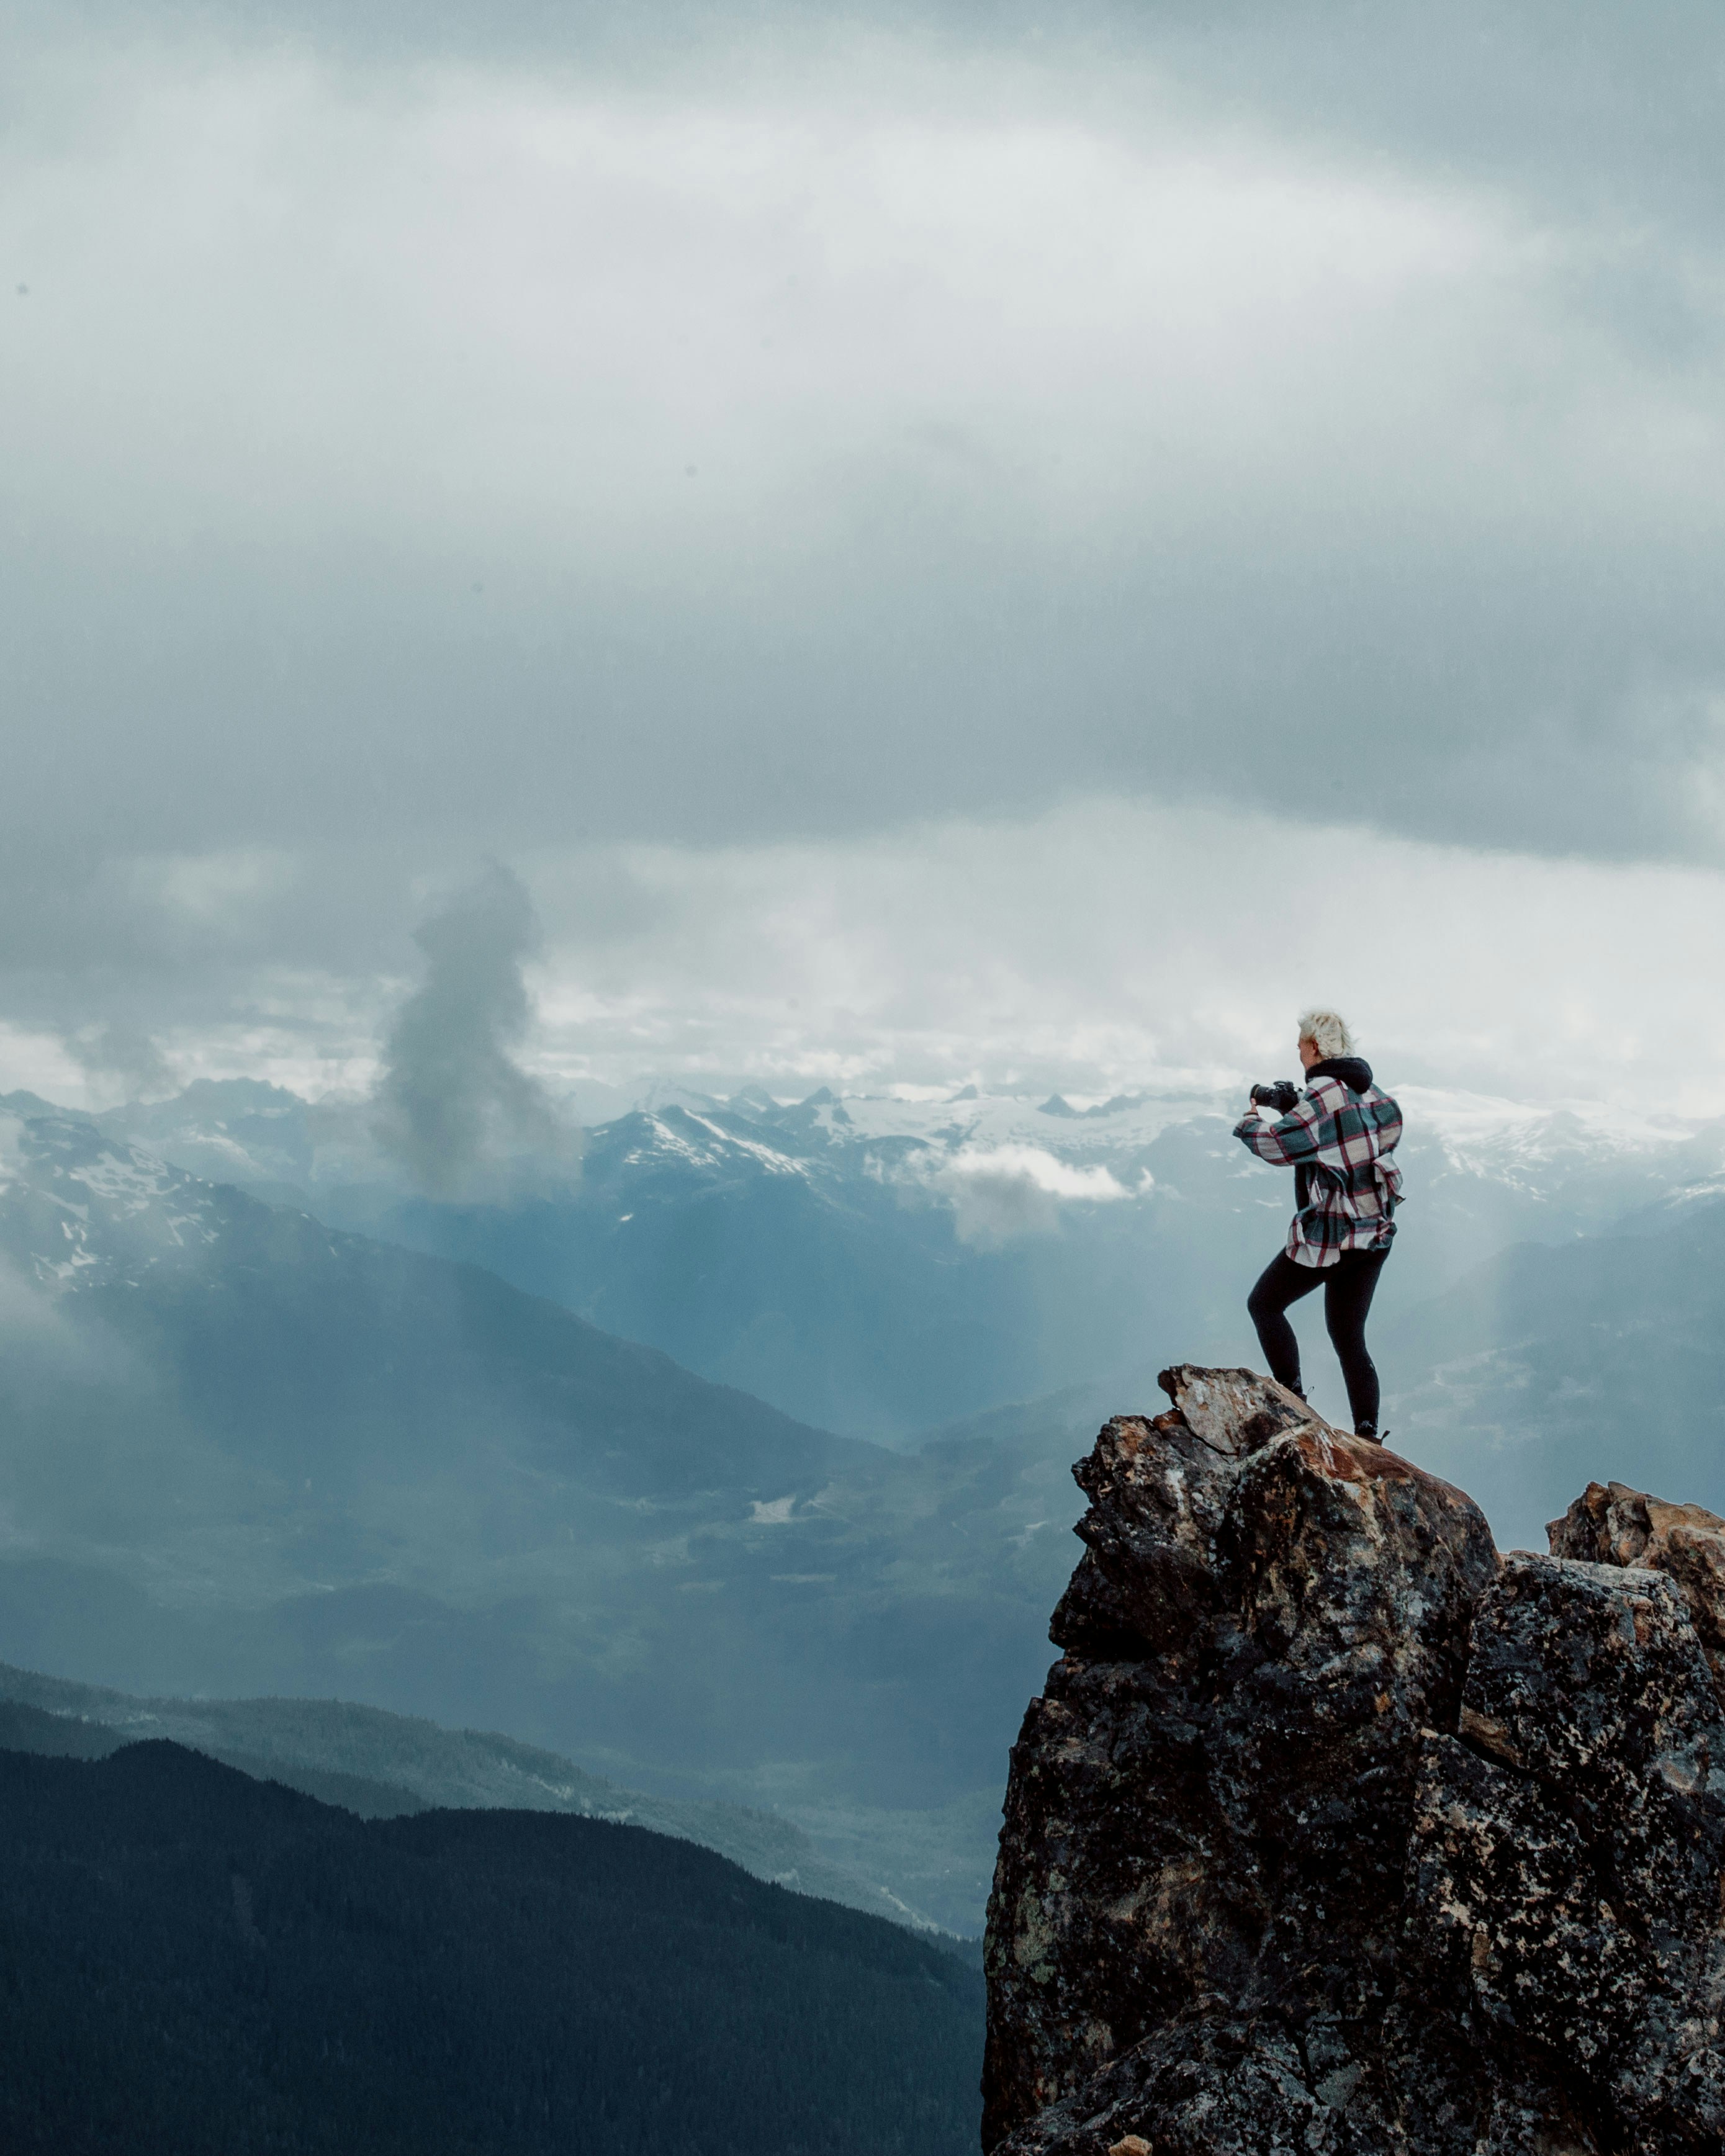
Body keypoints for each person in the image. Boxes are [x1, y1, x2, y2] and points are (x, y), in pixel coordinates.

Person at [1233, 1009, 1403, 1440]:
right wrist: (1303, 1111)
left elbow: (1278, 1146)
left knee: (1264, 1305)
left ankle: (1293, 1407)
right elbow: (1384, 1126)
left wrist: (1251, 1120)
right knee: (1348, 1337)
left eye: (1299, 1048)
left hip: (1335, 1233)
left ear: (1312, 1047)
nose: (1298, 1055)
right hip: (1374, 1234)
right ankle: (1367, 1436)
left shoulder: (1324, 1091)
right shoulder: (1368, 1089)